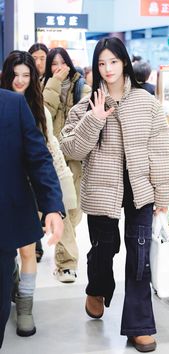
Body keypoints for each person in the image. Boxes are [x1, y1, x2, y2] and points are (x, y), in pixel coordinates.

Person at [59, 37, 169, 353]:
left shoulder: (146, 101)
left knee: (138, 257)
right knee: (104, 248)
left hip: (140, 190)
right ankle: (97, 288)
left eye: (113, 61)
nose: (107, 69)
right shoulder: (87, 105)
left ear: (124, 62)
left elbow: (160, 150)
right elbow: (70, 148)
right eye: (101, 63)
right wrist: (94, 119)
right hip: (100, 189)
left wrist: (163, 193)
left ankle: (139, 327)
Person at [0, 50, 76, 337]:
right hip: (15, 190)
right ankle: (13, 289)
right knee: (13, 258)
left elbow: (47, 154)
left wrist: (55, 202)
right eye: (15, 75)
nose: (20, 81)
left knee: (27, 250)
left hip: (24, 192)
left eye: (26, 75)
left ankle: (25, 307)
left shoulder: (30, 106)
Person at [43, 47, 91, 283]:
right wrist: (53, 83)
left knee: (74, 213)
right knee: (62, 208)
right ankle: (67, 264)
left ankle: (64, 256)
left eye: (62, 62)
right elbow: (44, 113)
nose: (58, 67)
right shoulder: (44, 86)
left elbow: (88, 119)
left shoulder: (82, 87)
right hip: (53, 159)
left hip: (76, 158)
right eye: (54, 63)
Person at [28, 43, 50, 261]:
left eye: (42, 57)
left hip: (43, 153)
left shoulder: (48, 85)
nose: (38, 61)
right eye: (35, 57)